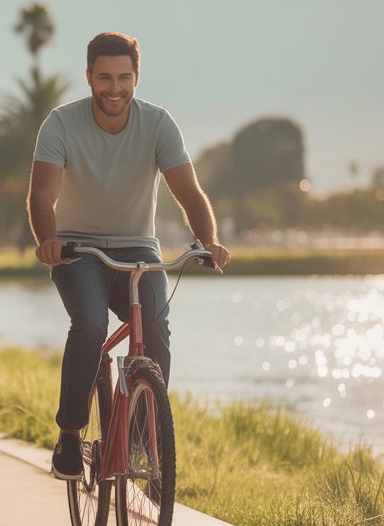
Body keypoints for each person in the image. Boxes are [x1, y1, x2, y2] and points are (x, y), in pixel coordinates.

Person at [26, 31, 231, 480]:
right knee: (91, 326)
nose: (114, 88)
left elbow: (189, 193)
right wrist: (48, 240)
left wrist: (208, 240)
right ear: (88, 77)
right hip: (77, 248)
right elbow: (42, 195)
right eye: (104, 78)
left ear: (137, 78)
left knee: (155, 329)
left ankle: (140, 440)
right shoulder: (61, 123)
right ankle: (70, 432)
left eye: (123, 78)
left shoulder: (158, 123)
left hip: (139, 248)